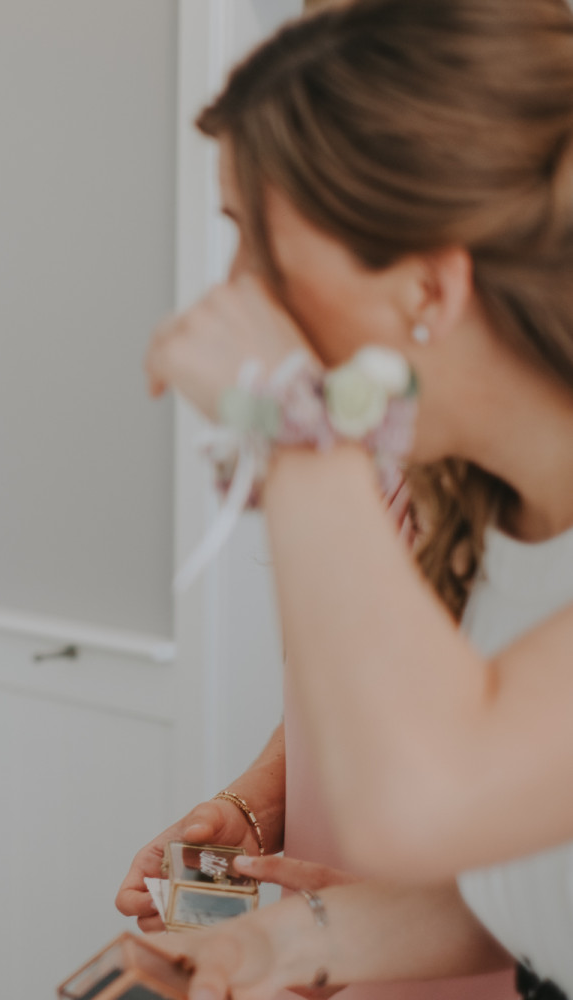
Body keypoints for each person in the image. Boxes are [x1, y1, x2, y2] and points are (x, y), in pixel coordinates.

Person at [137, 0, 573, 994]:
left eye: (262, 249)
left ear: (427, 289)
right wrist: (282, 943)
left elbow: (425, 805)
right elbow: (536, 867)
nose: (234, 296)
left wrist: (294, 428)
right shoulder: (495, 512)